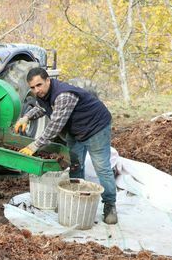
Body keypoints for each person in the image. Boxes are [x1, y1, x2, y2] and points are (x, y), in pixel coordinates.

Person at [14, 68, 117, 224]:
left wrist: (34, 146)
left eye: (39, 85)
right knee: (75, 165)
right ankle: (76, 200)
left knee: (102, 167)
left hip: (96, 128)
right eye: (33, 87)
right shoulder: (44, 94)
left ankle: (110, 205)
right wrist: (26, 117)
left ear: (48, 80)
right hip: (75, 130)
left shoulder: (63, 95)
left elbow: (54, 126)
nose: (37, 90)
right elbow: (42, 108)